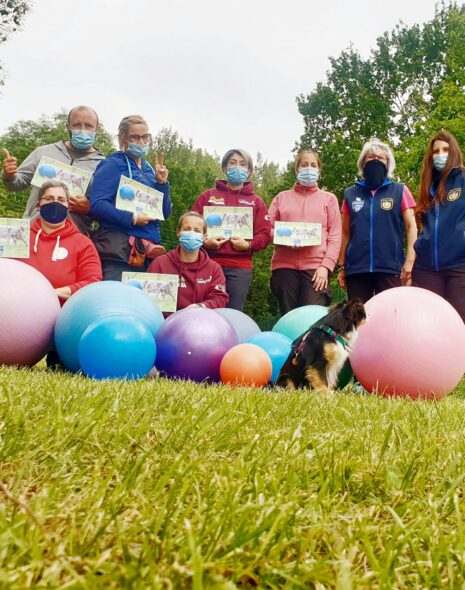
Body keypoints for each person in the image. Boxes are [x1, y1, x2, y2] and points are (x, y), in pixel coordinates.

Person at [90, 115, 172, 280]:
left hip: (148, 250)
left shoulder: (150, 170)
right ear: (123, 138)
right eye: (135, 137)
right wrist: (132, 218)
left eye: (145, 136)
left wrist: (162, 184)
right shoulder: (112, 164)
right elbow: (97, 204)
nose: (141, 141)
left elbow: (164, 213)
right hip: (118, 250)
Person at [1, 105, 104, 236]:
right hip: (32, 233)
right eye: (77, 125)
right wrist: (9, 175)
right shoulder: (43, 152)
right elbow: (15, 184)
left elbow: (106, 210)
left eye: (88, 126)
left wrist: (89, 208)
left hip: (73, 240)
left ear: (97, 129)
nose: (83, 130)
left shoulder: (103, 165)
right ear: (68, 127)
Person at [338, 138, 417, 302]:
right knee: (357, 321)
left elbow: (411, 227)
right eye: (371, 157)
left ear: (388, 163)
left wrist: (410, 260)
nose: (375, 160)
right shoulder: (350, 194)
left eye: (381, 158)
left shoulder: (400, 190)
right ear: (363, 162)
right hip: (358, 270)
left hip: (391, 268)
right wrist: (342, 267)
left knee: (391, 318)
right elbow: (345, 233)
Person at [191, 148, 271, 311]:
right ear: (224, 168)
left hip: (239, 268)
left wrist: (248, 245)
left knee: (233, 313)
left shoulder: (257, 202)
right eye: (232, 163)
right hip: (208, 263)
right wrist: (205, 241)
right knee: (205, 311)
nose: (237, 167)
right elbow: (191, 225)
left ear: (249, 171)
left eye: (243, 164)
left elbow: (264, 235)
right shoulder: (208, 196)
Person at [268, 150, 341, 315]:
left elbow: (335, 237)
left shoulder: (329, 199)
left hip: (316, 268)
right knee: (288, 316)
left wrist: (326, 267)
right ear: (297, 169)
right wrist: (284, 238)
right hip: (284, 267)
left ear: (319, 170)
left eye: (313, 165)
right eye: (304, 165)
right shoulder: (281, 198)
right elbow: (267, 228)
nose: (309, 168)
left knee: (311, 317)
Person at [413, 130, 465, 321]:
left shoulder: (463, 180)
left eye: (445, 149)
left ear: (453, 152)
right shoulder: (428, 186)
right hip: (426, 269)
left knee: (459, 324)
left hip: (459, 267)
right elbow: (423, 225)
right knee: (429, 324)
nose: (441, 154)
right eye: (436, 151)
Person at [20, 180, 102, 302]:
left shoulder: (83, 243)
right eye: (48, 198)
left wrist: (53, 293)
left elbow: (92, 282)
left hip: (63, 314)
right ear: (38, 205)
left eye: (61, 200)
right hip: (18, 308)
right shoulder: (18, 237)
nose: (55, 203)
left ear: (69, 207)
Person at [147, 212, 229, 315]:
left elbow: (220, 298)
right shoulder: (160, 263)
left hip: (199, 323)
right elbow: (147, 298)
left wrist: (201, 307)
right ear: (178, 232)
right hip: (164, 325)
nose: (191, 234)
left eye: (197, 230)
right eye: (186, 229)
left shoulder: (214, 268)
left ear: (204, 237)